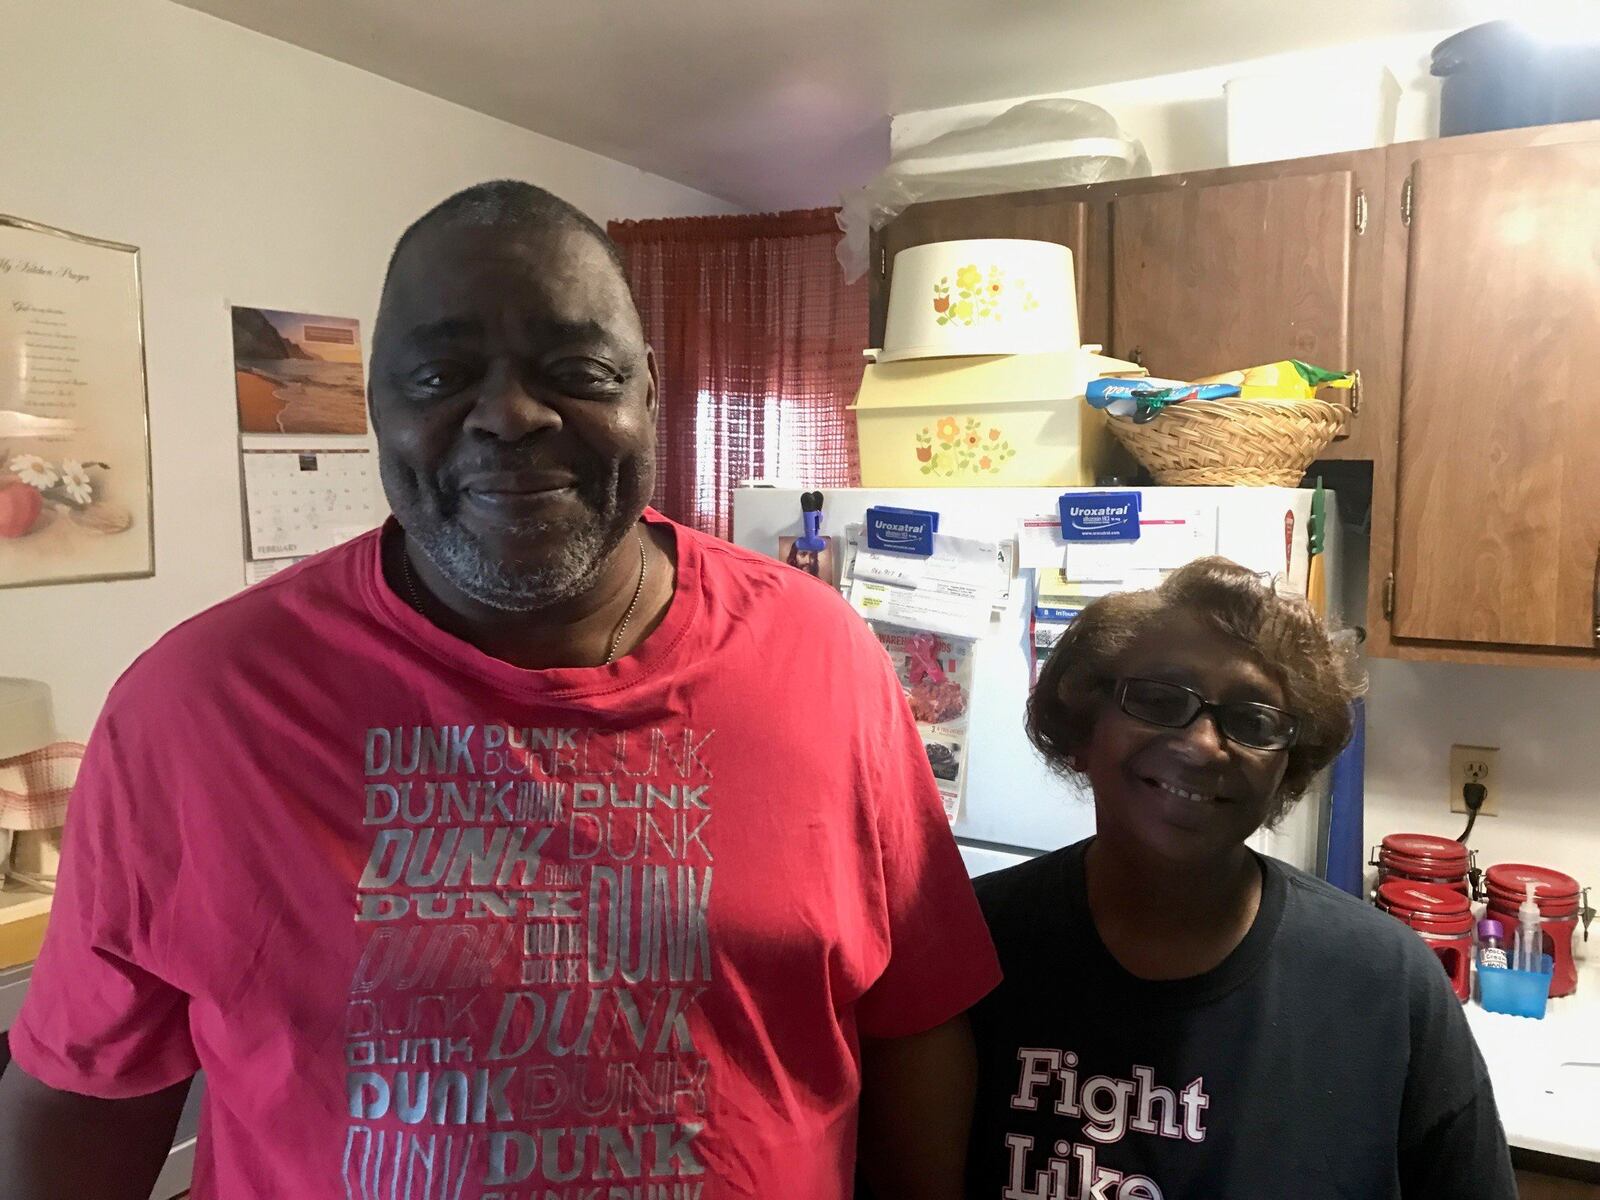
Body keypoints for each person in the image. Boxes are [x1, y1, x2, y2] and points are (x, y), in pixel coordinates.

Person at [0, 181, 1000, 1200]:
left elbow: (912, 1017)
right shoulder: (196, 707)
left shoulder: (822, 657)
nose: (510, 416)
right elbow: (85, 1096)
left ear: (648, 390)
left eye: (576, 370)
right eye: (440, 375)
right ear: (373, 407)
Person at [966, 558, 1515, 1199]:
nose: (1202, 745)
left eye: (1253, 723)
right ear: (1086, 727)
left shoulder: (1386, 984)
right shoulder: (973, 949)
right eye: (1158, 698)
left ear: (1287, 769)